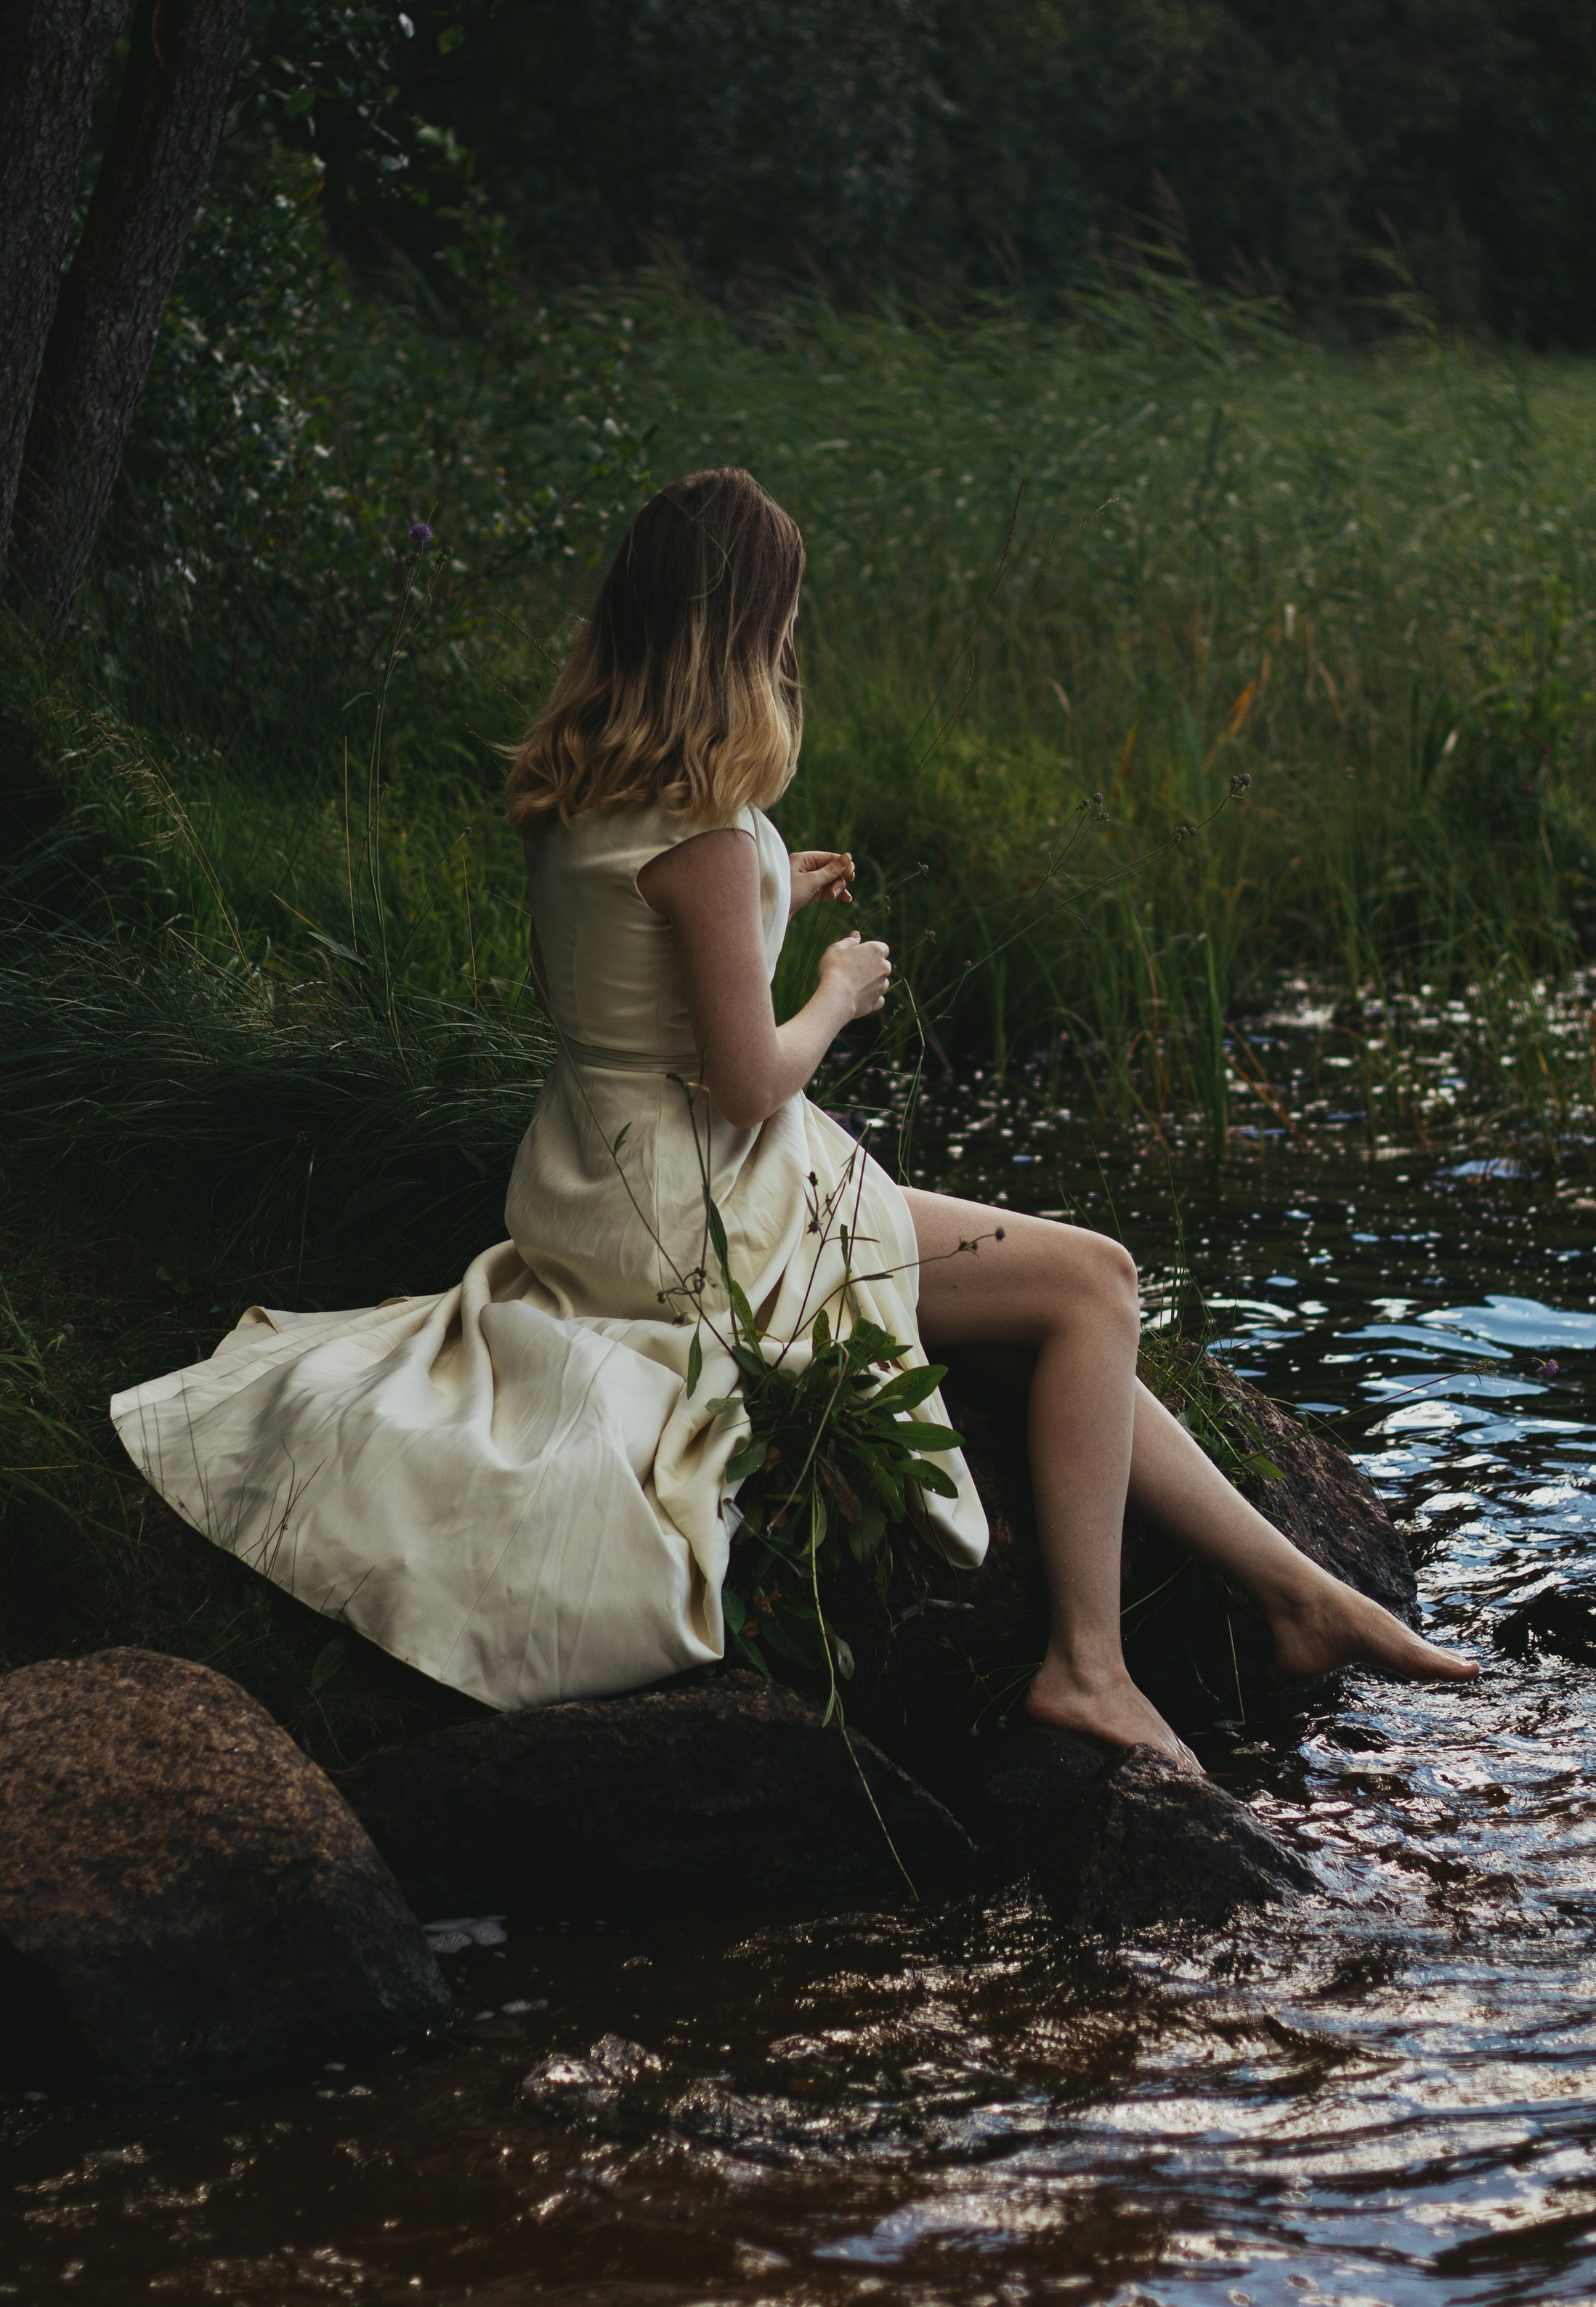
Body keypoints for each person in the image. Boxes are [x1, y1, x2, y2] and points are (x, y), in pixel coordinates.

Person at [113, 468, 1474, 1756]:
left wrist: (770, 895)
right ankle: (1089, 1668)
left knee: (1060, 1308)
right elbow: (752, 1081)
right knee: (1096, 1282)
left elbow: (603, 989)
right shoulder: (703, 834)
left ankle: (1297, 1593)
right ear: (742, 630)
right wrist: (836, 989)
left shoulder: (577, 790)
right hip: (704, 1207)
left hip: (589, 1182)